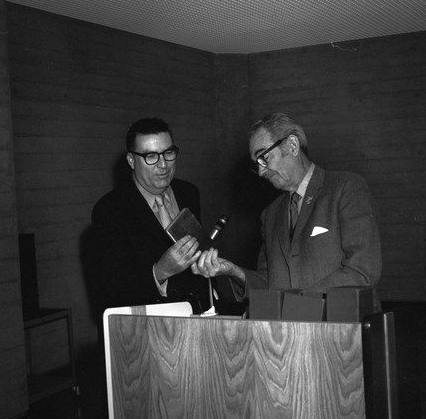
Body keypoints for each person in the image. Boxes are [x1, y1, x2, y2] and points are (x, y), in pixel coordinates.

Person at [193, 112, 382, 308]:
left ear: (292, 145)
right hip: (291, 333)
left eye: (264, 158)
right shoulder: (270, 214)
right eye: (256, 164)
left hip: (342, 329)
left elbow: (362, 270)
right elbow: (269, 284)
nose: (261, 171)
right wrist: (234, 271)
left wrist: (298, 301)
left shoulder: (346, 188)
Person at [91, 117, 211, 314]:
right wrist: (160, 271)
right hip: (148, 329)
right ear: (131, 161)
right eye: (151, 156)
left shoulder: (189, 192)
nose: (163, 165)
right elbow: (110, 291)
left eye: (168, 153)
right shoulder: (109, 210)